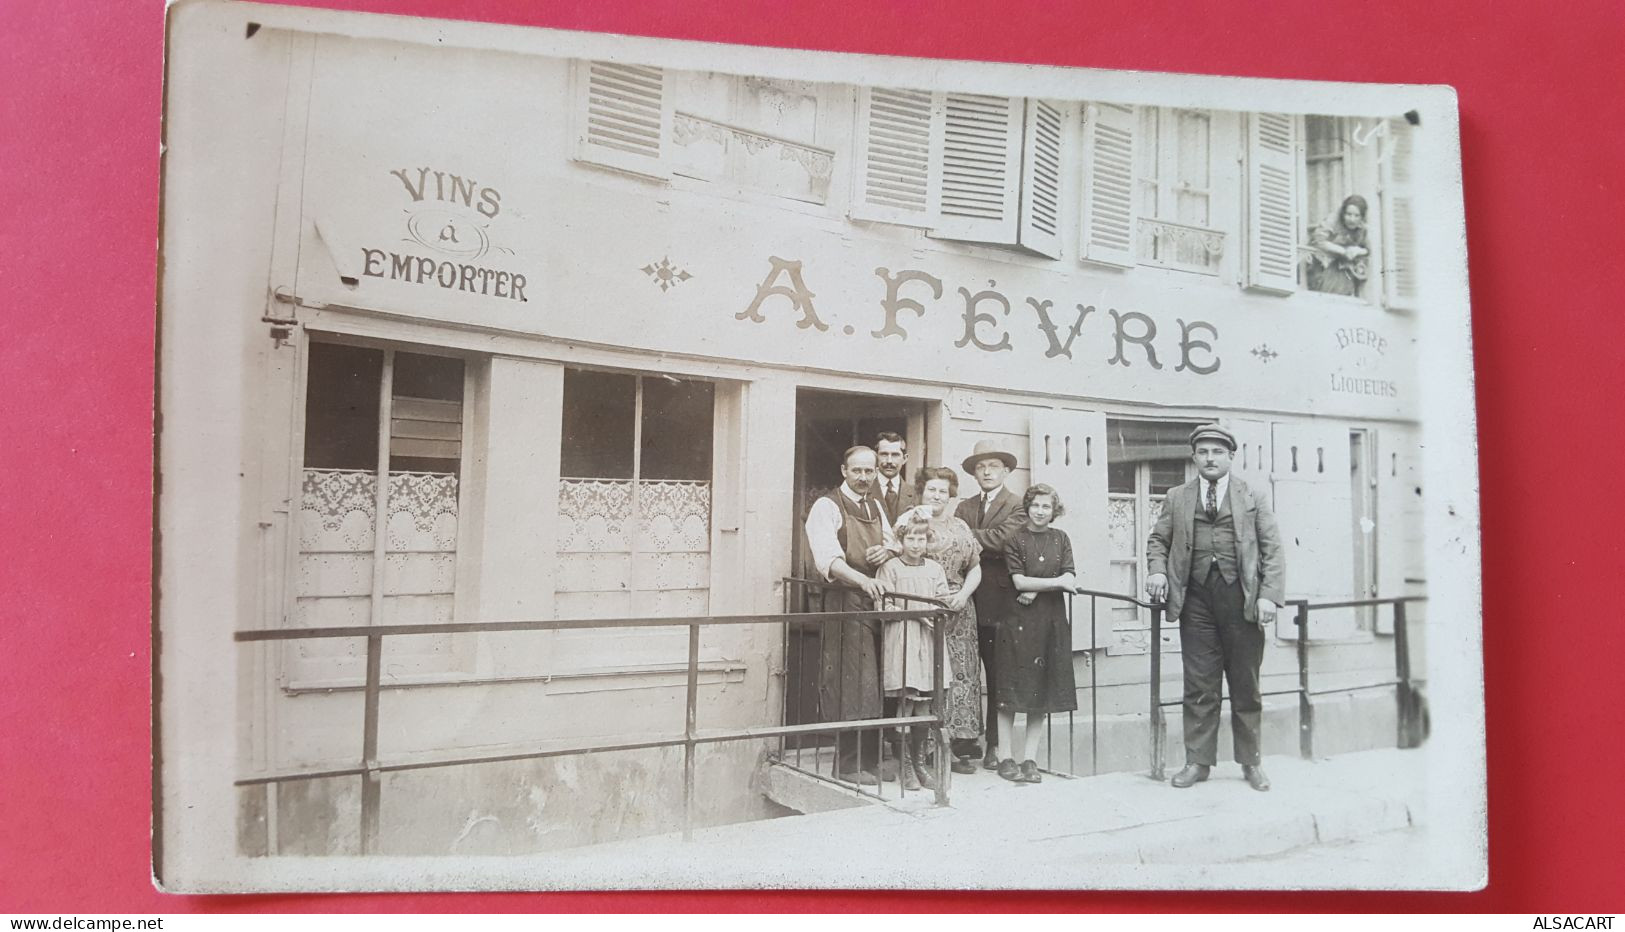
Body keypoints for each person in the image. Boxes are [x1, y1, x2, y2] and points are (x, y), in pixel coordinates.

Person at [1144, 424, 1286, 792]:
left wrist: (1268, 595)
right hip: (1195, 601)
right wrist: (1158, 572)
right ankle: (1198, 762)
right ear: (1194, 456)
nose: (1210, 458)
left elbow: (1272, 549)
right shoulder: (1177, 496)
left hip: (1243, 600)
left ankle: (1251, 763)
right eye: (1203, 452)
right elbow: (1158, 540)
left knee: (1246, 684)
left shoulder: (1252, 494)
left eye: (1217, 452)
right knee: (1200, 684)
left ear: (1230, 457)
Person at [803, 445, 897, 785]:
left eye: (869, 471)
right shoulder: (827, 506)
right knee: (850, 679)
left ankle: (870, 760)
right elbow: (828, 560)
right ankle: (845, 764)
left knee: (874, 679)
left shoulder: (875, 505)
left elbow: (895, 542)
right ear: (844, 470)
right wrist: (864, 580)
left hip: (873, 601)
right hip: (844, 600)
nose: (863, 477)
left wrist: (887, 550)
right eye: (857, 471)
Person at [893, 466, 984, 775]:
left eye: (943, 490)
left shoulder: (960, 525)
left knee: (961, 678)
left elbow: (975, 566)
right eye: (931, 489)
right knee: (926, 679)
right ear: (921, 491)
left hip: (959, 609)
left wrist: (964, 595)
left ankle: (957, 747)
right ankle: (923, 752)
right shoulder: (911, 521)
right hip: (926, 611)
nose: (937, 495)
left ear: (951, 494)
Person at [993, 484, 1085, 784]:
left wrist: (1040, 586)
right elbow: (1019, 582)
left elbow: (1070, 575)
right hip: (1018, 622)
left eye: (1046, 506)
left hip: (1050, 621)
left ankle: (1029, 758)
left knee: (1040, 693)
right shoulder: (1015, 539)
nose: (1041, 511)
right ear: (1028, 507)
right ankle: (1006, 757)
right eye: (1035, 506)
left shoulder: (1061, 539)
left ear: (1053, 510)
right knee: (1010, 691)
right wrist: (1051, 583)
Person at [953, 439, 1027, 769]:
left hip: (1000, 603)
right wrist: (980, 537)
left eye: (993, 465)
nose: (986, 471)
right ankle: (963, 741)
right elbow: (970, 544)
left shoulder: (1017, 505)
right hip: (967, 601)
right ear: (973, 473)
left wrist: (968, 536)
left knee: (998, 675)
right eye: (980, 466)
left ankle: (997, 745)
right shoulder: (964, 506)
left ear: (1006, 471)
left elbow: (1005, 539)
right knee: (964, 674)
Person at [874, 514, 949, 791]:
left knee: (923, 704)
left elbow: (942, 601)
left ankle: (919, 763)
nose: (916, 544)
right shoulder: (890, 568)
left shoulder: (934, 569)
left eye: (921, 538)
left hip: (929, 641)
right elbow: (884, 607)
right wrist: (917, 614)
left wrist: (937, 613)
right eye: (910, 538)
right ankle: (904, 764)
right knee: (906, 702)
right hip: (904, 639)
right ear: (901, 540)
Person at [1306, 194, 1371, 297]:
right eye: (1348, 214)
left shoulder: (1362, 227)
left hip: (1345, 271)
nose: (1352, 219)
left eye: (1356, 216)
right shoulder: (1332, 221)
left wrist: (1357, 250)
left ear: (1362, 216)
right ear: (1343, 213)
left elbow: (1368, 249)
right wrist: (1343, 251)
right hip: (1323, 265)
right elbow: (1318, 241)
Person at [873, 432, 919, 526]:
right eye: (884, 454)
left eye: (895, 455)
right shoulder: (864, 491)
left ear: (905, 458)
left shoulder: (916, 494)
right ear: (876, 457)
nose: (889, 461)